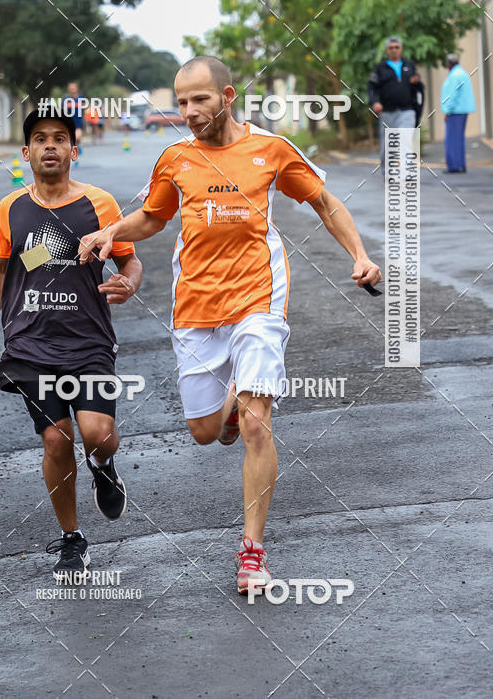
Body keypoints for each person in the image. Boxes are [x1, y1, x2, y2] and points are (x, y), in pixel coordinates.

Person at [78, 56, 381, 595]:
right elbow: (153, 216)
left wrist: (358, 254)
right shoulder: (175, 159)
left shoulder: (270, 150)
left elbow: (325, 202)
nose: (190, 112)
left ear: (228, 95)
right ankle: (235, 406)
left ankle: (252, 554)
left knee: (257, 421)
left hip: (257, 300)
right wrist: (112, 232)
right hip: (195, 306)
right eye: (182, 102)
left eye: (200, 99)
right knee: (204, 432)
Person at [0, 107, 142, 582]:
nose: (50, 145)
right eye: (41, 139)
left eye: (60, 138)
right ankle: (71, 540)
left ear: (73, 150)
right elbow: (0, 271)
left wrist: (128, 282)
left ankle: (103, 468)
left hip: (89, 340)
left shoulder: (101, 203)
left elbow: (130, 262)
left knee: (99, 435)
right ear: (25, 152)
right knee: (54, 437)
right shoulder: (10, 209)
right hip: (30, 343)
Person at [368, 37, 424, 169]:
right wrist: (375, 102)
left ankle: (406, 174)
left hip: (407, 111)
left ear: (401, 48)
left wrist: (416, 82)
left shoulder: (409, 65)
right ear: (387, 50)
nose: (394, 50)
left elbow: (418, 88)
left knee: (405, 141)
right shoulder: (380, 68)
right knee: (388, 145)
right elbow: (371, 88)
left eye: (396, 47)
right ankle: (388, 173)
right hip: (387, 112)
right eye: (391, 47)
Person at [440, 53, 476, 173]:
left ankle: (454, 166)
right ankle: (461, 164)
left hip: (455, 111)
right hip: (463, 110)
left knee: (452, 139)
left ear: (448, 64)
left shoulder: (454, 75)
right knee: (459, 138)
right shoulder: (462, 73)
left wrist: (447, 111)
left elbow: (452, 95)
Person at [65, 82, 85, 164]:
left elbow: (85, 108)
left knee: (76, 138)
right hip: (69, 124)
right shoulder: (66, 99)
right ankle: (74, 157)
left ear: (77, 88)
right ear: (68, 89)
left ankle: (76, 151)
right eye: (71, 88)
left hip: (79, 123)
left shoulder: (81, 98)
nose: (72, 89)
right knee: (72, 141)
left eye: (74, 88)